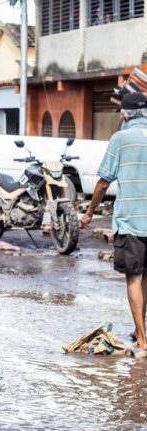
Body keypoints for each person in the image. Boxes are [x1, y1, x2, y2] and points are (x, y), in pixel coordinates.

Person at [81, 92, 147, 350]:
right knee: (146, 276)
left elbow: (103, 182)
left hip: (131, 220)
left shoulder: (120, 139)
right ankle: (138, 328)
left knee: (134, 277)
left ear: (126, 114)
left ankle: (142, 339)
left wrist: (89, 213)